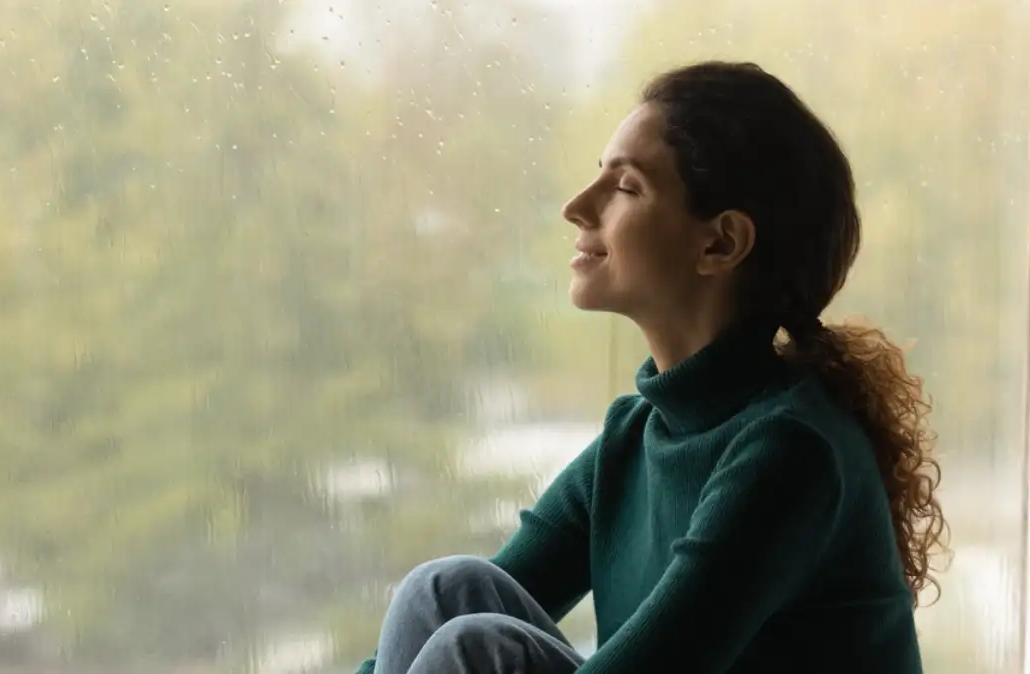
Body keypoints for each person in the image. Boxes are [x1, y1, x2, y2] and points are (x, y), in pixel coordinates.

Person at [354, 61, 946, 674]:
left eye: (627, 187)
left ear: (719, 243)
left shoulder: (791, 450)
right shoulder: (635, 435)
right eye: (597, 178)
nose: (577, 207)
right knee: (443, 594)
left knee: (472, 650)